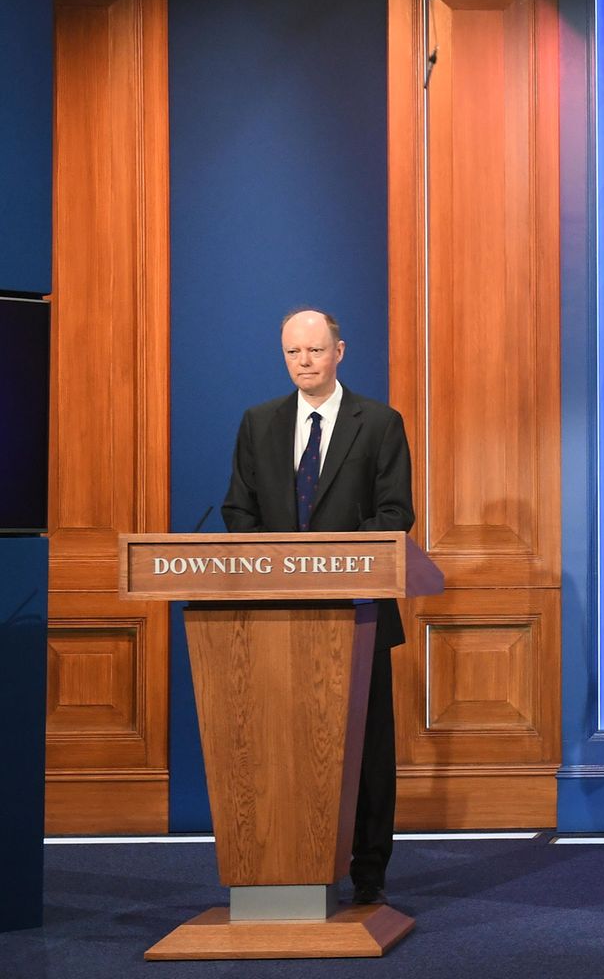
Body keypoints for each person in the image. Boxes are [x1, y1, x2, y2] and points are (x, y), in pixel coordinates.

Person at [221, 308, 414, 907]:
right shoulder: (259, 423)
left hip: (356, 616)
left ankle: (369, 872)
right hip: (277, 621)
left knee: (364, 750)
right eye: (292, 353)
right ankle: (288, 862)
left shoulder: (379, 423)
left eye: (314, 351)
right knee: (280, 744)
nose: (303, 363)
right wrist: (281, 567)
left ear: (339, 351)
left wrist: (330, 561)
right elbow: (238, 511)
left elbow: (395, 514)